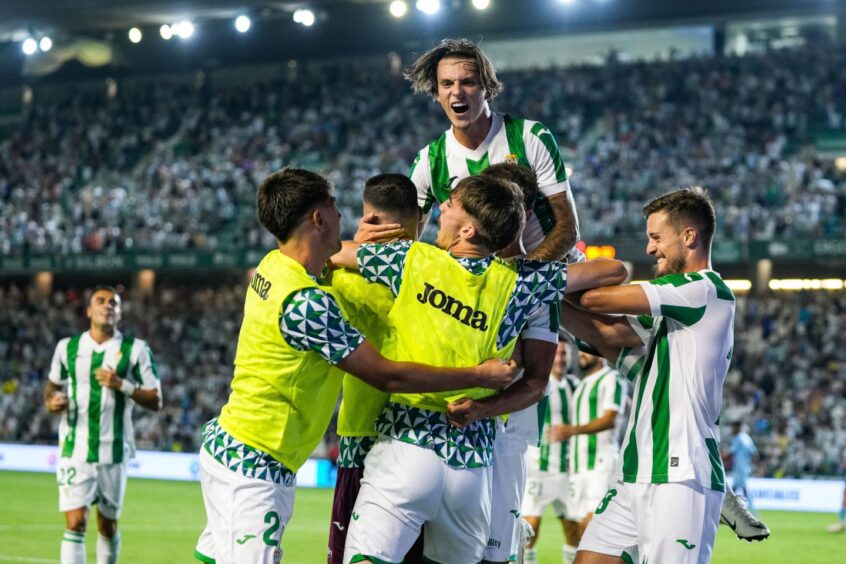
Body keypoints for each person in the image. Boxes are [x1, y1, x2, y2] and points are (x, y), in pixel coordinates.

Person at [193, 168, 517, 564]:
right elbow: (387, 374)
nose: (348, 221)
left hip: (232, 446)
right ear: (319, 218)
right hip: (255, 464)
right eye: (335, 209)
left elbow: (326, 270)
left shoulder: (274, 267)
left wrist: (358, 255)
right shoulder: (308, 305)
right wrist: (478, 376)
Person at [335, 174, 627, 564]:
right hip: (471, 463)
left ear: (469, 228)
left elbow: (333, 253)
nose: (441, 209)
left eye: (450, 205)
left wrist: (360, 240)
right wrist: (535, 268)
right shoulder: (520, 282)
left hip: (406, 444)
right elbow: (614, 270)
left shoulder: (413, 259)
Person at [559, 187, 734, 563]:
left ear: (689, 237)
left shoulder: (704, 290)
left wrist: (548, 273)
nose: (650, 249)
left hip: (680, 474)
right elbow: (603, 333)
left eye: (656, 238)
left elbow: (595, 301)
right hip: (636, 470)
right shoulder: (670, 312)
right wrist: (543, 295)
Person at [405, 38, 579, 261]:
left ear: (487, 89)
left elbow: (567, 230)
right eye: (447, 84)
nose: (457, 92)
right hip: (483, 285)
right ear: (437, 93)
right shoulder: (429, 161)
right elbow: (406, 243)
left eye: (468, 82)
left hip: (550, 271)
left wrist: (521, 280)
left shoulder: (530, 137)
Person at [326, 173, 421, 564]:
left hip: (362, 432)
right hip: (422, 435)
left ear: (368, 217)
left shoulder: (341, 277)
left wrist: (348, 247)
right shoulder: (436, 273)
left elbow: (306, 258)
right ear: (418, 216)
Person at [45, 285, 162, 564]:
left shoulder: (136, 350)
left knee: (107, 526)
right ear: (89, 310)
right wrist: (51, 402)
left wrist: (121, 384)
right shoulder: (67, 348)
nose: (107, 305)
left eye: (114, 303)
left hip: (115, 451)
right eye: (101, 301)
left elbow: (156, 400)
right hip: (75, 448)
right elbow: (51, 388)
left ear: (119, 313)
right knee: (75, 522)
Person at [557, 350, 626, 560]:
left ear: (601, 353)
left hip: (600, 463)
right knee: (578, 531)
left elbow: (610, 419)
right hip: (579, 468)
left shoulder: (612, 379)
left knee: (593, 528)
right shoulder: (582, 385)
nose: (580, 354)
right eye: (579, 350)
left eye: (586, 350)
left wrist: (572, 430)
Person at [521, 335, 581, 564]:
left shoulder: (573, 385)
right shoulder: (541, 383)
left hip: (565, 470)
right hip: (539, 468)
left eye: (565, 353)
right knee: (531, 528)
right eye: (557, 353)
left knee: (573, 530)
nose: (561, 358)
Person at [727, 421, 757, 510]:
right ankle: (728, 504)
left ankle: (751, 508)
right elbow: (754, 453)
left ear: (737, 427)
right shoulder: (747, 438)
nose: (732, 430)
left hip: (739, 467)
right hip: (745, 467)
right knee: (738, 487)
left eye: (733, 427)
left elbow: (731, 452)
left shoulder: (738, 438)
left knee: (740, 487)